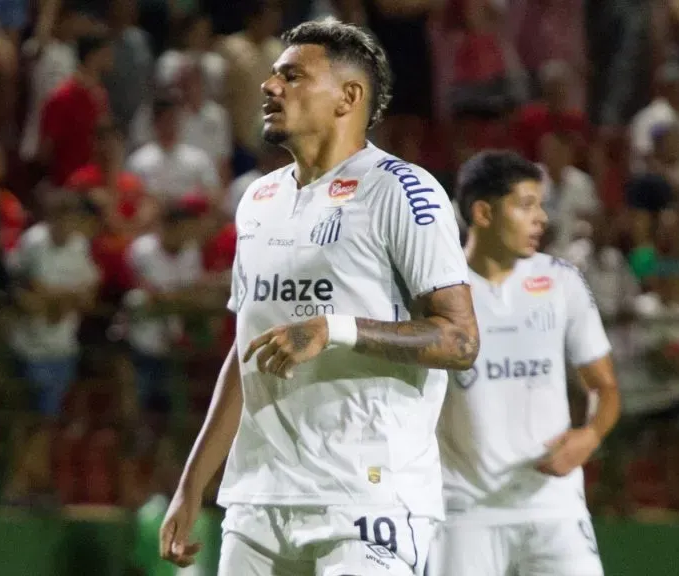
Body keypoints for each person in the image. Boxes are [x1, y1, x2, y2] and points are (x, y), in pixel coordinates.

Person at [159, 18, 479, 576]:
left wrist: (337, 329)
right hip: (257, 502)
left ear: (347, 97)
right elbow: (245, 354)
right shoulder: (258, 199)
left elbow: (460, 338)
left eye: (293, 76)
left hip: (366, 497)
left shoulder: (402, 190)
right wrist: (192, 485)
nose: (269, 86)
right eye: (273, 75)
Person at [428, 151, 620, 576]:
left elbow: (603, 386)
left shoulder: (561, 281)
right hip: (464, 513)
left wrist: (589, 436)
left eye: (541, 205)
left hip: (554, 507)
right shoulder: (435, 289)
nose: (542, 219)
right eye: (527, 205)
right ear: (483, 212)